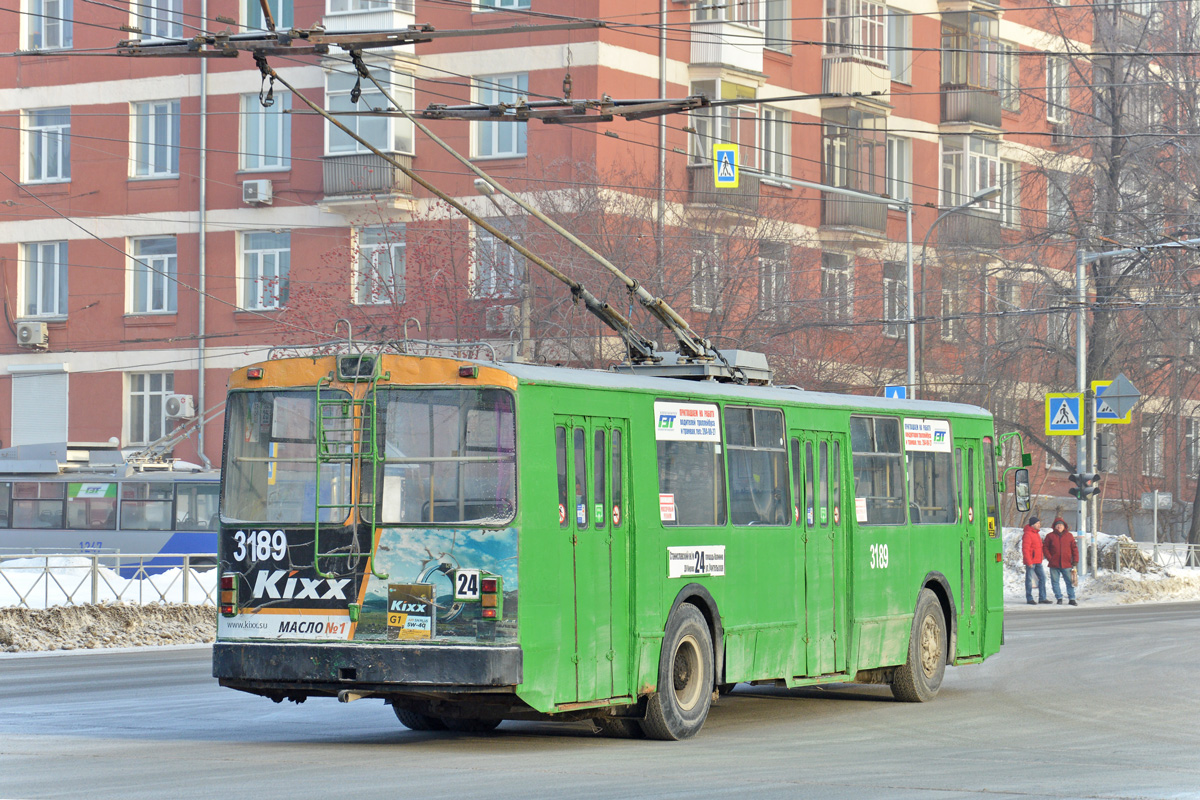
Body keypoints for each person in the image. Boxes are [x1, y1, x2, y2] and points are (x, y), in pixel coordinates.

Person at [1043, 517, 1080, 606]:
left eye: (1061, 525)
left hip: (1067, 563)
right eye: (1057, 525)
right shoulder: (1050, 536)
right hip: (1054, 564)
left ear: (1064, 526)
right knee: (1055, 582)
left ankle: (1072, 598)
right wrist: (1050, 558)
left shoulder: (1069, 536)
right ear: (1054, 526)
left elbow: (1074, 549)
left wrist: (1075, 560)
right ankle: (1059, 598)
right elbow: (1045, 547)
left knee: (1070, 582)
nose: (1059, 526)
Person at [1021, 516, 1051, 605]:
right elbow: (1025, 549)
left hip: (1038, 561)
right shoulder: (1028, 534)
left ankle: (1042, 597)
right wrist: (1028, 561)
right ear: (1033, 524)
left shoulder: (1036, 533)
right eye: (1037, 523)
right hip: (1031, 561)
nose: (1039, 525)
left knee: (1042, 578)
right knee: (1029, 580)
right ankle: (1029, 598)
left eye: (1039, 523)